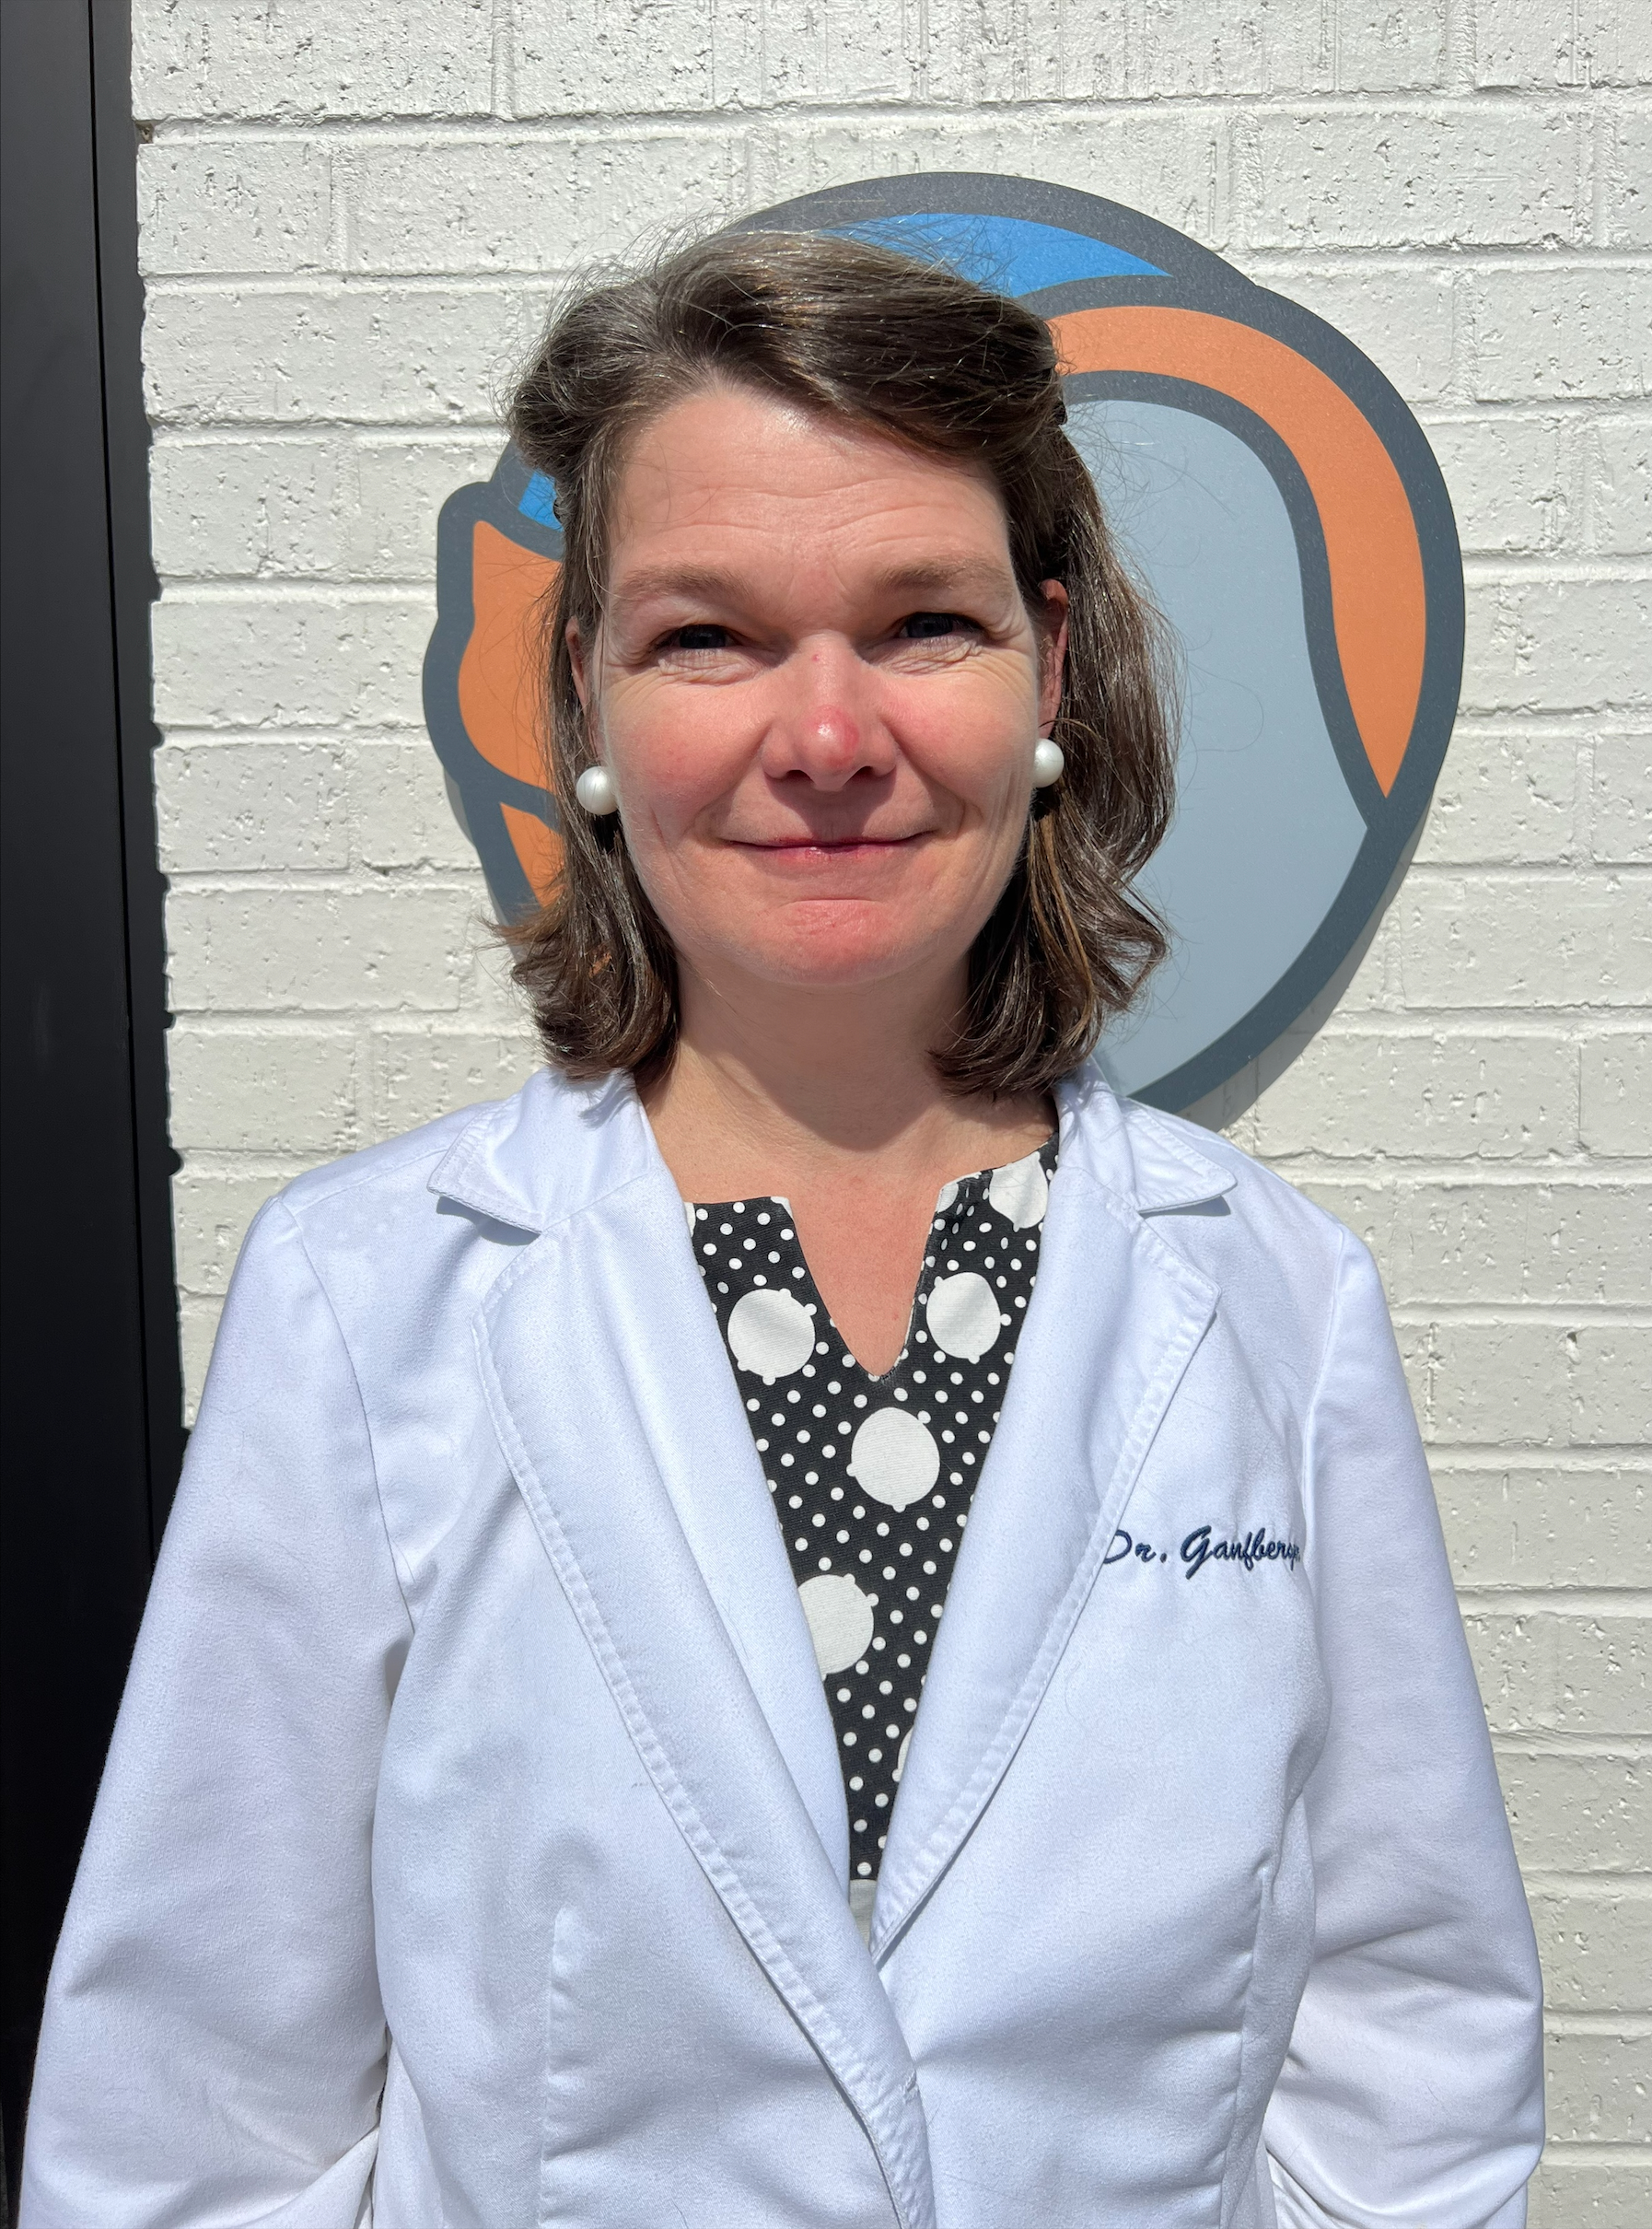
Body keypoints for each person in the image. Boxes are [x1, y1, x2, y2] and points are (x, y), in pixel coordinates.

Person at [21, 230, 1543, 2228]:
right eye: (709, 638)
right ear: (588, 688)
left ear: (1047, 668)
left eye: (921, 622)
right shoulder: (370, 1300)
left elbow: (1412, 2043)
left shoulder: (1276, 1301)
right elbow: (191, 2113)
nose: (826, 738)